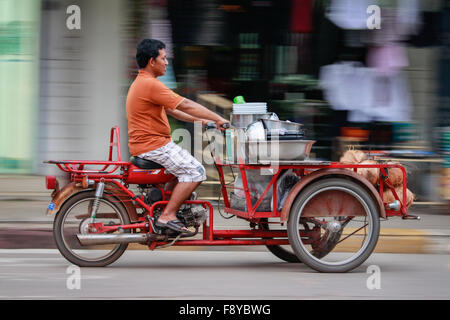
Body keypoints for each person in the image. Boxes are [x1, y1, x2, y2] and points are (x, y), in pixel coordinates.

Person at [126, 39, 229, 233]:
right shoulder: (150, 84)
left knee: (184, 170)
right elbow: (186, 105)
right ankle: (167, 216)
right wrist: (218, 117)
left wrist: (205, 122)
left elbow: (175, 111)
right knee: (196, 171)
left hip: (151, 144)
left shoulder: (144, 83)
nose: (166, 63)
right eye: (163, 58)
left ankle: (163, 208)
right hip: (154, 145)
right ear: (151, 61)